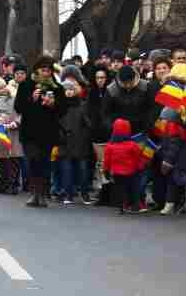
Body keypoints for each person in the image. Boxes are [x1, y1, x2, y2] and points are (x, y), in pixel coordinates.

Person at [14, 55, 63, 208]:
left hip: (48, 131)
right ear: (37, 70)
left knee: (44, 161)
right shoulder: (26, 85)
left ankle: (41, 194)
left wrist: (53, 104)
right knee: (33, 159)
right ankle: (34, 192)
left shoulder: (56, 87)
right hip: (29, 131)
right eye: (43, 70)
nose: (46, 73)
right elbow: (18, 107)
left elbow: (62, 111)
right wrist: (31, 99)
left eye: (49, 71)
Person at [57, 80, 93, 205]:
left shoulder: (82, 105)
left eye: (71, 89)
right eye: (66, 89)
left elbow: (88, 124)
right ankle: (68, 194)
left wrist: (85, 135)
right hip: (64, 142)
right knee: (66, 171)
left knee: (83, 170)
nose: (69, 92)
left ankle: (84, 194)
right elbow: (55, 124)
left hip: (80, 142)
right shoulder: (59, 106)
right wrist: (60, 136)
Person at [102, 118, 145, 214]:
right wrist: (140, 168)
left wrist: (106, 171)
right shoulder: (133, 145)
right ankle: (134, 205)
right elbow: (138, 158)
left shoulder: (110, 146)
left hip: (116, 173)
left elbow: (107, 161)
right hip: (131, 172)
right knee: (133, 188)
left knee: (119, 189)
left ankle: (121, 207)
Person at [103, 64, 153, 135]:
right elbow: (106, 113)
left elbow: (151, 108)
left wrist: (148, 127)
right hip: (119, 131)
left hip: (141, 129)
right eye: (125, 83)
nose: (128, 86)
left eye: (131, 82)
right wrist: (112, 128)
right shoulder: (112, 90)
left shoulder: (145, 86)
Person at [86, 66, 111, 203]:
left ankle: (109, 191)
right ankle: (101, 190)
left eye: (102, 77)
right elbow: (89, 112)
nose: (100, 80)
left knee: (108, 163)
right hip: (97, 133)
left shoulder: (111, 92)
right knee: (100, 163)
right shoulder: (92, 93)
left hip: (109, 132)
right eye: (98, 78)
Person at [0, 76, 23, 195]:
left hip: (13, 131)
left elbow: (21, 112)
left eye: (1, 88)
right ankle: (4, 184)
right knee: (3, 160)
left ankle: (13, 185)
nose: (0, 91)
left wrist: (15, 123)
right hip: (0, 131)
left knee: (13, 159)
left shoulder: (15, 96)